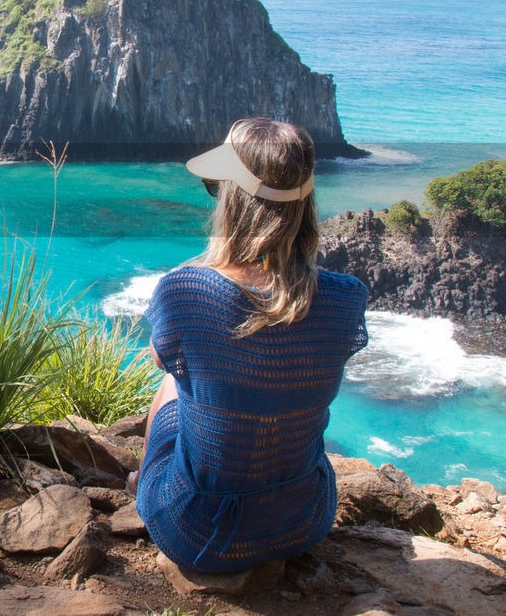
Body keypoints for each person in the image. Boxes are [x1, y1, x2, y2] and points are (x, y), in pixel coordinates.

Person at [133, 117, 369, 574]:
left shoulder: (185, 291)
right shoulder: (345, 298)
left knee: (174, 376)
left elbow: (163, 357)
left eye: (215, 186)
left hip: (197, 532)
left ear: (232, 201)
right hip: (302, 522)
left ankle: (146, 484)